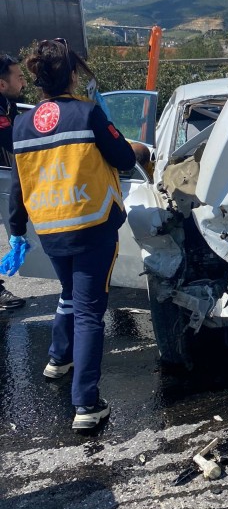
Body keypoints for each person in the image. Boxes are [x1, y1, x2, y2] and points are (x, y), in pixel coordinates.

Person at [9, 39, 136, 429]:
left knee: (69, 295)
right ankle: (87, 404)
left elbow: (18, 182)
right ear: (72, 74)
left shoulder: (22, 123)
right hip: (92, 224)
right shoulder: (87, 113)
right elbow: (125, 159)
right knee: (89, 311)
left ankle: (57, 360)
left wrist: (16, 229)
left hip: (50, 228)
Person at [0, 54, 27, 310]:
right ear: (1, 84)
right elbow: (15, 141)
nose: (24, 83)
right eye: (19, 78)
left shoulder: (6, 105)